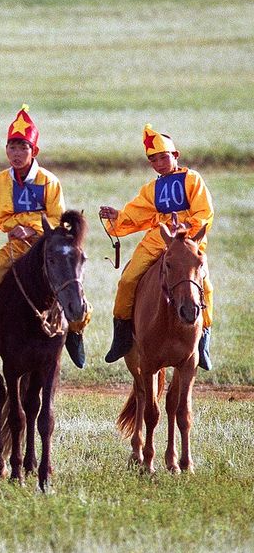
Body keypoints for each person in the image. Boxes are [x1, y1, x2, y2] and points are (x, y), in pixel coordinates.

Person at [0, 105, 87, 384]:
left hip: (44, 251)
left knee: (73, 288)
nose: (16, 154)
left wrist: (29, 227)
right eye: (12, 148)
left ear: (34, 151)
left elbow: (57, 218)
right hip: (13, 251)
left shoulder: (49, 182)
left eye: (22, 148)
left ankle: (75, 334)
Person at [100, 124, 215, 369]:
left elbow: (204, 212)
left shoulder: (192, 179)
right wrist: (117, 217)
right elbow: (138, 213)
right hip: (157, 238)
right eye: (154, 160)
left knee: (206, 285)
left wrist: (186, 226)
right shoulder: (151, 189)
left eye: (164, 157)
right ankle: (121, 335)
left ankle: (203, 340)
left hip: (188, 240)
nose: (160, 163)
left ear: (176, 156)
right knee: (128, 280)